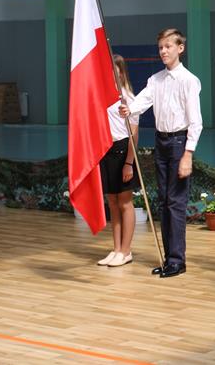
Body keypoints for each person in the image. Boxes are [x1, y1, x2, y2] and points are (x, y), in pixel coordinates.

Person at [119, 28, 203, 278]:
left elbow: (196, 122)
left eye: (168, 46)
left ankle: (177, 260)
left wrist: (188, 154)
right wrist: (128, 109)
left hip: (178, 142)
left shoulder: (188, 80)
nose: (163, 51)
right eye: (160, 48)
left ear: (180, 48)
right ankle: (169, 259)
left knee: (176, 202)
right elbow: (140, 103)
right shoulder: (155, 80)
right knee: (164, 202)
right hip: (161, 141)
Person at [98, 55, 140, 268]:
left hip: (123, 151)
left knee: (124, 202)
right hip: (106, 150)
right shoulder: (103, 97)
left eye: (114, 70)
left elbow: (134, 134)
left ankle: (126, 250)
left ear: (121, 73)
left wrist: (128, 163)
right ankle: (116, 249)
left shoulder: (128, 99)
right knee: (112, 203)